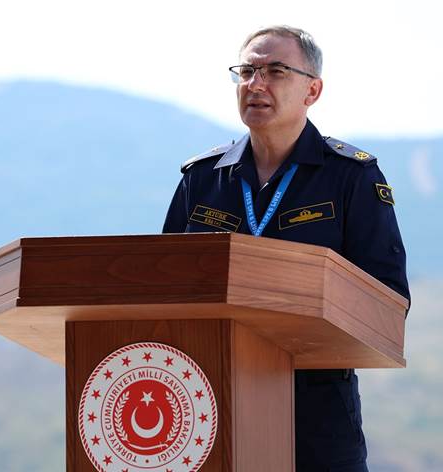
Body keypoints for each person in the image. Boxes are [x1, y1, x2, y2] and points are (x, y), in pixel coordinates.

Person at [162, 25, 410, 471]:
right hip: (206, 407)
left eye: (275, 71)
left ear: (312, 90)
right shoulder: (201, 179)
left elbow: (388, 302)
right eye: (247, 72)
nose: (256, 84)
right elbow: (160, 290)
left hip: (314, 415)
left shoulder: (351, 177)